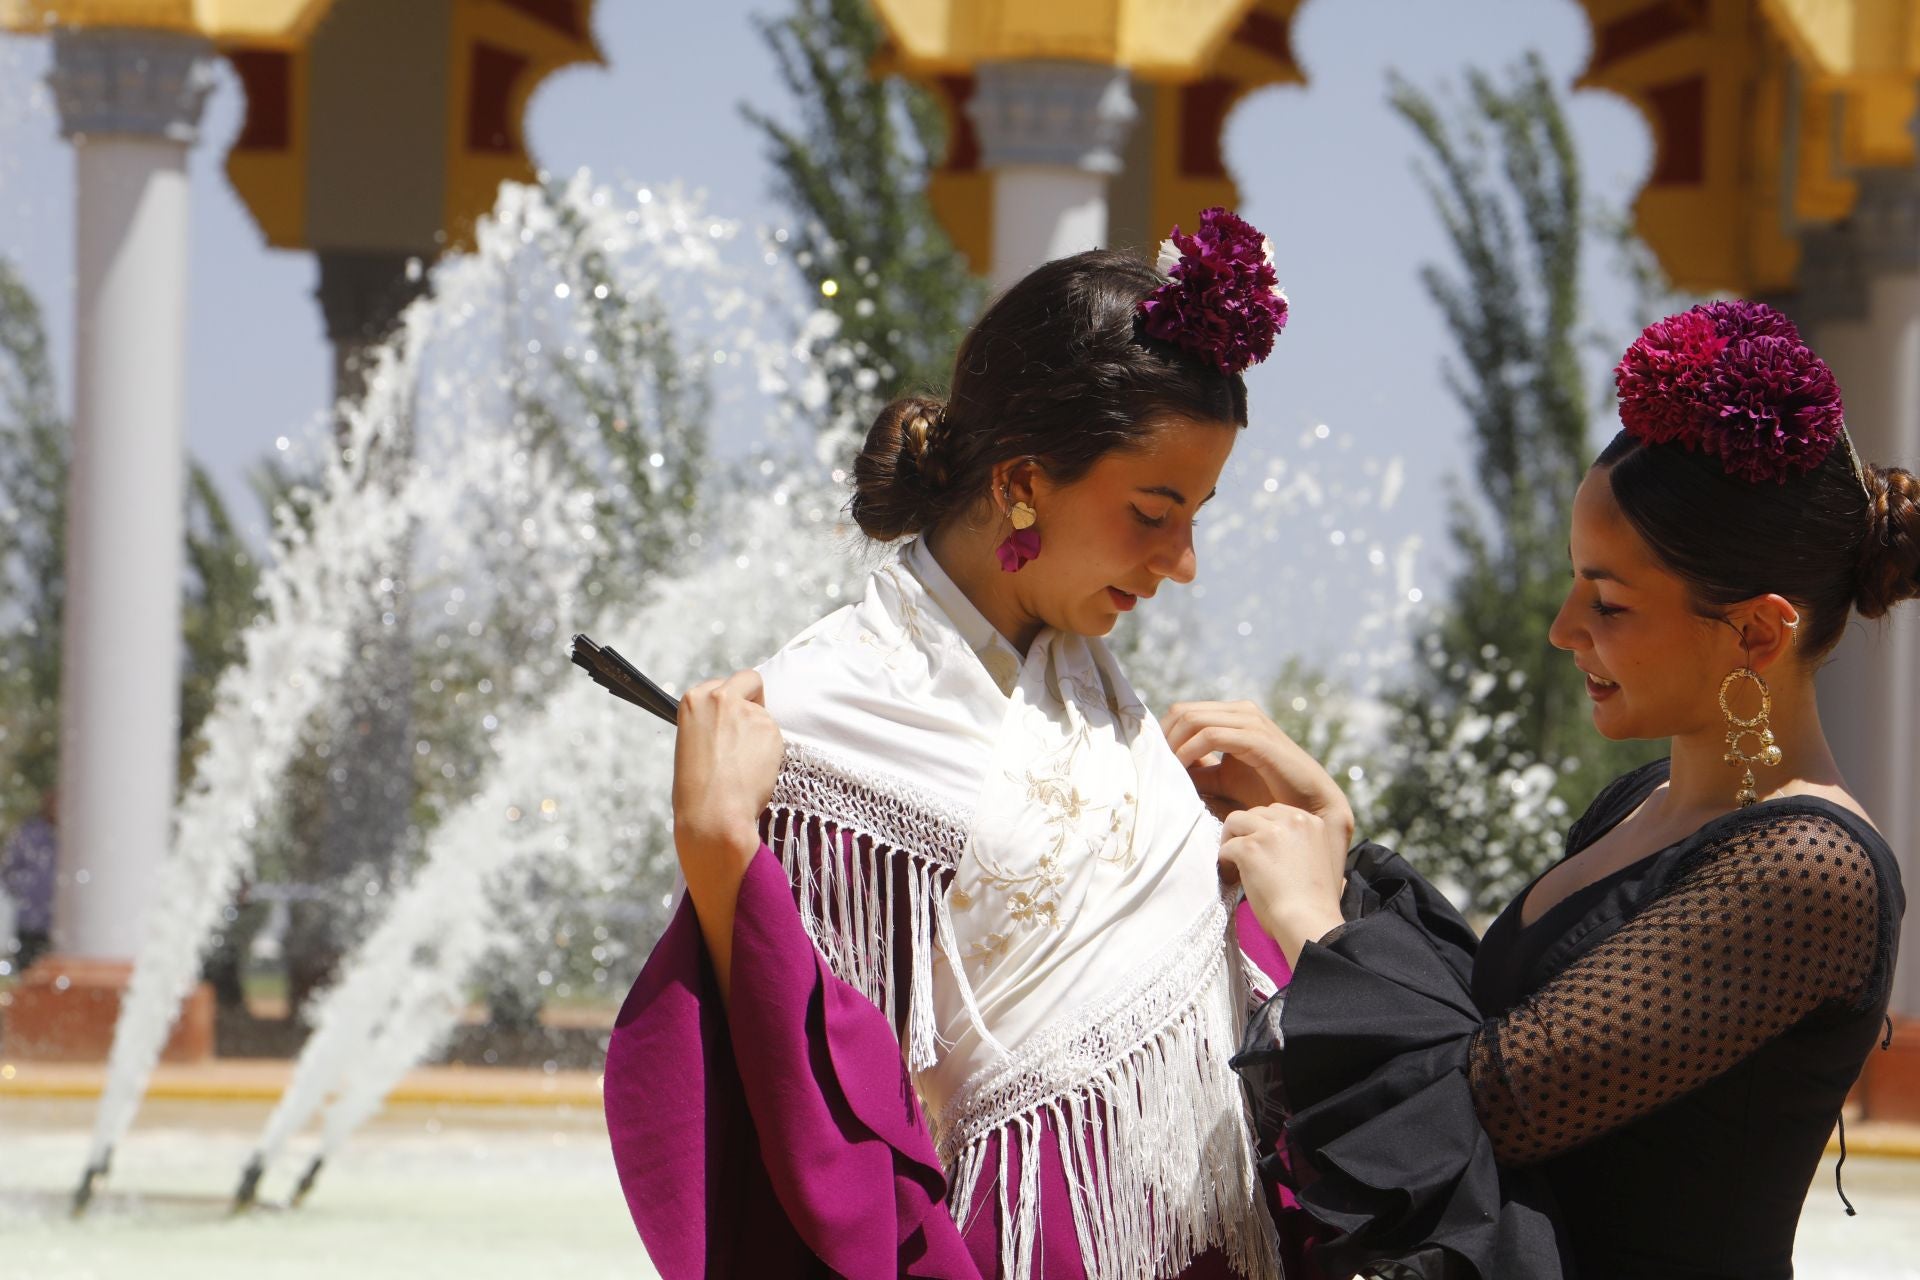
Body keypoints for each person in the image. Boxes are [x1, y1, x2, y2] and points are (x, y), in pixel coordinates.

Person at [603, 212, 1327, 1279]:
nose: (1182, 562)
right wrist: (720, 853)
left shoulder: (1104, 710)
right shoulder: (829, 724)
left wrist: (1316, 853)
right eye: (1153, 511)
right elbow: (840, 1127)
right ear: (1023, 481)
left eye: (1197, 514)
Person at [1216, 300, 1915, 1280]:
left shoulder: (1809, 865)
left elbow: (1486, 1101)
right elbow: (1487, 1020)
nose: (1562, 626)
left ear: (1758, 632)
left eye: (1609, 600)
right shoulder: (1642, 799)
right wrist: (1336, 830)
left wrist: (1317, 923)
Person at [1, 788, 57, 970]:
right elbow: (8, 871)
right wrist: (29, 891)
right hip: (32, 923)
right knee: (29, 974)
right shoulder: (28, 834)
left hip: (58, 924)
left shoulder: (73, 837)